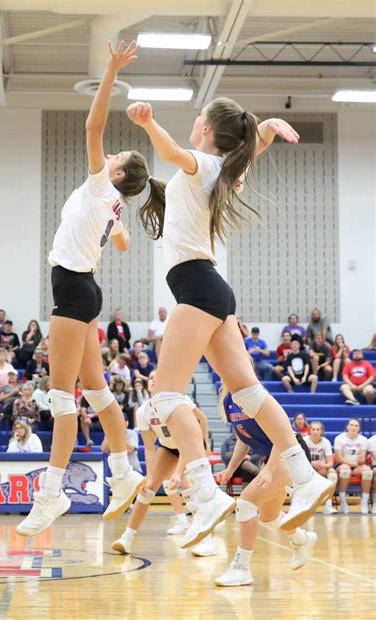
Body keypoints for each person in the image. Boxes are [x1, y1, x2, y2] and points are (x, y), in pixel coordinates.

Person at [127, 94, 333, 546]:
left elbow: (171, 154)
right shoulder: (224, 167)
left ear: (206, 130)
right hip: (211, 286)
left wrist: (148, 123)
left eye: (200, 117)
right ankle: (305, 474)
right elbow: (248, 146)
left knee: (163, 396)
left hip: (197, 286)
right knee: (248, 390)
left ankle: (205, 491)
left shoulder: (201, 162)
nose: (195, 121)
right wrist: (268, 127)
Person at [17, 42, 164, 536]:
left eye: (116, 156)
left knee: (61, 398)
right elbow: (121, 243)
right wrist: (110, 230)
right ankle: (123, 474)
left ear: (117, 173)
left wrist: (111, 69)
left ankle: (51, 494)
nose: (110, 153)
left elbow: (92, 126)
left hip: (75, 290)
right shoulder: (113, 202)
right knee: (98, 394)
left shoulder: (104, 186)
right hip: (86, 290)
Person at [214, 388, 317, 587]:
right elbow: (243, 440)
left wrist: (269, 469)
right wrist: (230, 470)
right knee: (269, 517)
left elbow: (281, 432)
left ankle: (241, 568)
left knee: (245, 503)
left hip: (290, 450)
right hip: (273, 456)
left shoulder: (255, 394)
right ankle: (302, 539)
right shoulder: (228, 401)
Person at [112, 371, 215, 558]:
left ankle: (207, 540)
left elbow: (202, 420)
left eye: (157, 377)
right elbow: (150, 448)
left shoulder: (179, 400)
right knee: (148, 489)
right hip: (167, 447)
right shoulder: (143, 411)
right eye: (150, 378)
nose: (153, 380)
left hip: (189, 444)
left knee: (194, 490)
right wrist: (150, 476)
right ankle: (126, 538)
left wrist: (204, 444)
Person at [334, 419, 372, 514]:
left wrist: (361, 460)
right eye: (351, 425)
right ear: (347, 427)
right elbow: (339, 459)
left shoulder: (363, 440)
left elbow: (362, 459)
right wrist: (354, 464)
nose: (353, 427)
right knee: (345, 471)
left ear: (359, 428)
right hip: (343, 465)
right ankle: (343, 500)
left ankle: (364, 501)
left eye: (356, 426)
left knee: (368, 472)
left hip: (357, 467)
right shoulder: (339, 438)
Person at [304, 421, 337, 515]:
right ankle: (308, 505)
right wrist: (311, 464)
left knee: (332, 473)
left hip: (321, 468)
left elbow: (330, 463)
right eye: (313, 429)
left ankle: (328, 505)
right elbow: (300, 460)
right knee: (306, 473)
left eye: (318, 429)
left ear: (321, 431)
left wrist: (322, 465)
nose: (315, 431)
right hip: (307, 468)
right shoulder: (305, 440)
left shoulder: (325, 442)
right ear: (309, 431)